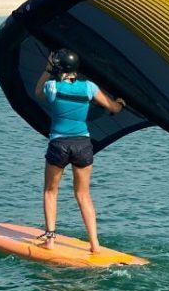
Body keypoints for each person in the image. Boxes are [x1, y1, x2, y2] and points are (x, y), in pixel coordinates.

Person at [34, 48, 125, 253]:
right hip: (83, 145)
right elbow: (114, 108)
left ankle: (50, 240)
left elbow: (37, 92)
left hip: (59, 144)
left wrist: (48, 69)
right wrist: (120, 103)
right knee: (83, 195)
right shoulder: (89, 88)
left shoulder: (52, 87)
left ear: (59, 68)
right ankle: (95, 244)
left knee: (50, 191)